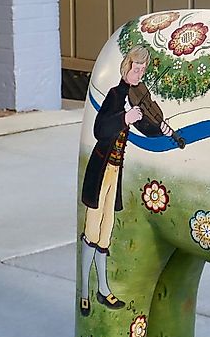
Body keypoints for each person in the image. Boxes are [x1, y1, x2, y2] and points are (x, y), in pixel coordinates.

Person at [79, 47, 185, 314]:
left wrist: (161, 129)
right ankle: (84, 291)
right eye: (136, 69)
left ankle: (103, 289)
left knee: (107, 230)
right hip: (101, 168)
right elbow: (100, 129)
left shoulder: (136, 98)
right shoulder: (116, 95)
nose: (140, 74)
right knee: (92, 227)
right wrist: (125, 117)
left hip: (115, 170)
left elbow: (145, 124)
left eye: (143, 70)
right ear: (126, 67)